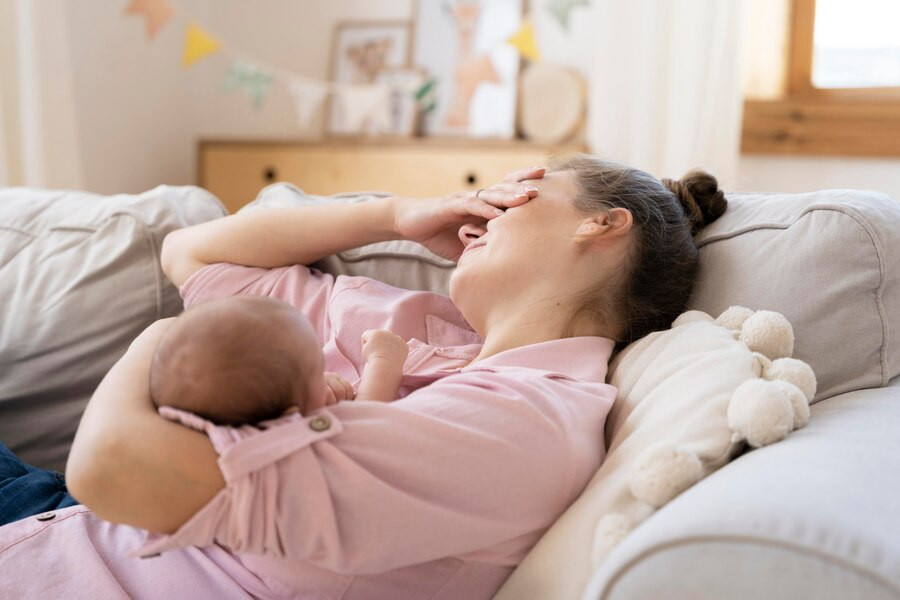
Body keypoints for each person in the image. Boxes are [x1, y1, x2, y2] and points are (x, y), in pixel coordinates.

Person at [0, 155, 727, 599]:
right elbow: (191, 254)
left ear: (601, 225)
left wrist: (159, 340)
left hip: (72, 553)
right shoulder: (416, 323)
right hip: (51, 517)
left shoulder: (525, 424)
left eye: (517, 192)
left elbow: (113, 470)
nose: (480, 214)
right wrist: (397, 214)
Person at [148, 295, 409, 425]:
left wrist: (311, 390)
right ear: (290, 417)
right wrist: (384, 362)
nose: (326, 374)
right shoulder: (290, 451)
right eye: (317, 370)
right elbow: (364, 423)